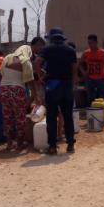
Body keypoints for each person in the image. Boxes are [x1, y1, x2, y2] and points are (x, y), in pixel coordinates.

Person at [34, 27, 78, 155]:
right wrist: (73, 81)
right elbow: (74, 68)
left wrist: (42, 76)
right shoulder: (70, 50)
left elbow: (36, 63)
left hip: (52, 86)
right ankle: (70, 145)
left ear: (51, 38)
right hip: (67, 86)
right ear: (62, 38)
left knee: (52, 118)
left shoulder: (46, 49)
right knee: (67, 116)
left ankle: (52, 147)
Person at [1, 45, 37, 150]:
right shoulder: (25, 61)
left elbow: (3, 72)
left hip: (3, 89)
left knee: (7, 117)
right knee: (20, 117)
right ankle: (20, 143)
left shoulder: (7, 58)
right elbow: (30, 81)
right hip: (16, 89)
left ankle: (9, 143)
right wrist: (34, 97)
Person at [81, 34, 104, 120]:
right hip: (90, 79)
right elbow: (79, 63)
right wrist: (84, 72)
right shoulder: (86, 53)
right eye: (89, 43)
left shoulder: (102, 52)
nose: (90, 45)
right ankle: (90, 117)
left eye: (92, 43)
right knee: (90, 98)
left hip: (101, 79)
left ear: (96, 42)